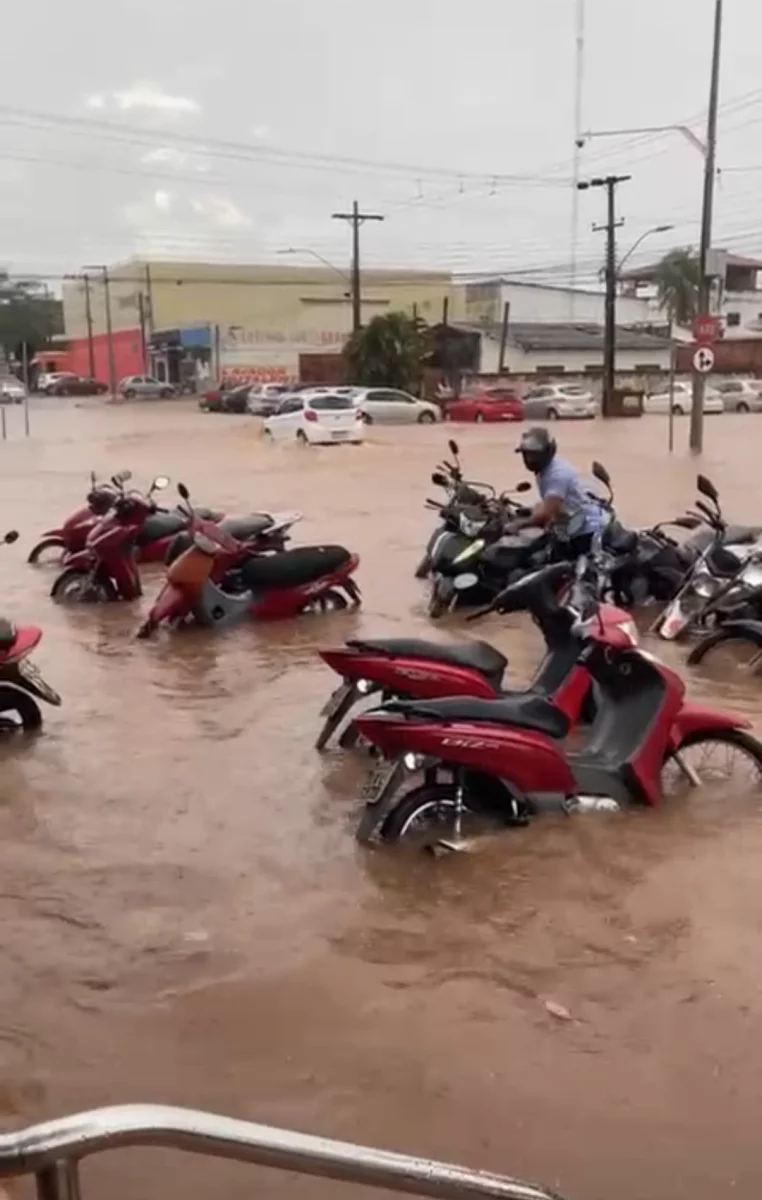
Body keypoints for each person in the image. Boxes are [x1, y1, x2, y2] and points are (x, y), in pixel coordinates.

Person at [509, 426, 603, 557]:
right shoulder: (546, 470)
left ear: (547, 452)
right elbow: (550, 503)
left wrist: (518, 525)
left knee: (542, 561)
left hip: (583, 530)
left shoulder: (557, 474)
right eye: (527, 455)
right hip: (568, 523)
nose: (530, 460)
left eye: (534, 455)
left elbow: (547, 513)